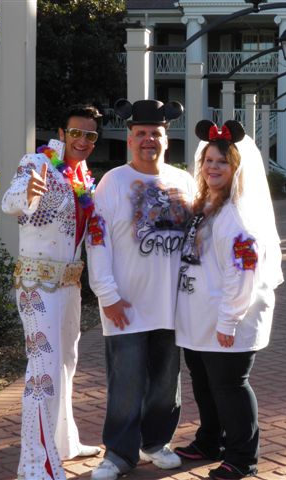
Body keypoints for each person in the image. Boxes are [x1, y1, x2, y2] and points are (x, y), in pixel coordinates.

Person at [86, 99, 195, 480]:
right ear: (130, 139)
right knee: (127, 383)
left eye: (156, 133)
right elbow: (97, 240)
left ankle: (155, 443)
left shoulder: (184, 180)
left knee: (167, 382)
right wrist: (107, 295)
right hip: (126, 304)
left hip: (172, 305)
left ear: (167, 139)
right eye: (141, 134)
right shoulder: (113, 182)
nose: (149, 139)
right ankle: (118, 454)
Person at [174, 120, 284, 480]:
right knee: (204, 383)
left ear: (236, 168)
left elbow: (243, 274)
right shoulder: (206, 206)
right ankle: (210, 441)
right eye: (208, 160)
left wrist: (228, 321)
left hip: (228, 319)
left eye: (222, 161)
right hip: (198, 317)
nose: (213, 167)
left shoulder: (237, 217)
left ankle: (242, 457)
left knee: (231, 387)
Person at [2, 105, 103, 480]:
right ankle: (34, 463)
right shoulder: (38, 162)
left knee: (66, 365)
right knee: (42, 371)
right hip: (37, 286)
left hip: (69, 286)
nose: (82, 141)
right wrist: (27, 192)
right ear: (62, 133)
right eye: (76, 133)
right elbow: (10, 202)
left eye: (90, 136)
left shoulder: (83, 176)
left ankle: (65, 441)